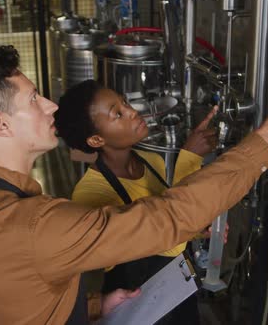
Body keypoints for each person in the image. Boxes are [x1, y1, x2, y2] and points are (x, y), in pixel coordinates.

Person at [0, 45, 268, 325]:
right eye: (33, 99)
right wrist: (265, 141)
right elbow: (168, 217)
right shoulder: (38, 226)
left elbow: (11, 302)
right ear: (0, 125)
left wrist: (96, 306)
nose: (50, 105)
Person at [56, 80, 220, 325]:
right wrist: (189, 160)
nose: (133, 112)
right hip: (139, 305)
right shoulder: (90, 195)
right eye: (118, 114)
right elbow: (165, 237)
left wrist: (200, 230)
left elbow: (172, 220)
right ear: (96, 140)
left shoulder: (149, 159)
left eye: (124, 102)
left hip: (178, 291)